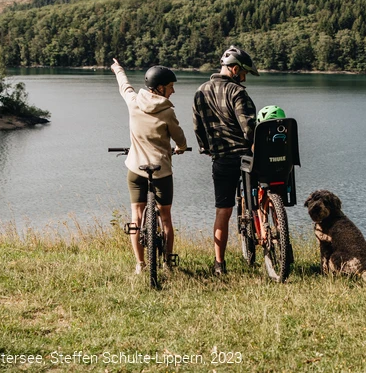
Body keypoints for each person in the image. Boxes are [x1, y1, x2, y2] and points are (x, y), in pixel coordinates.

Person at [111, 58, 187, 274]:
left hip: (136, 169)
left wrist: (118, 68)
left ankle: (140, 265)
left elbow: (124, 86)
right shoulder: (167, 112)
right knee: (165, 218)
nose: (173, 92)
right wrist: (181, 147)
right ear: (161, 88)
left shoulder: (134, 102)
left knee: (136, 215)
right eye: (171, 87)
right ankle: (167, 264)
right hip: (161, 171)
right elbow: (179, 137)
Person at [192, 46, 259, 275]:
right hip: (244, 156)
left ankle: (219, 264)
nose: (244, 78)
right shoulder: (237, 92)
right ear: (235, 69)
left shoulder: (200, 92)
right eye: (244, 73)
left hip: (221, 160)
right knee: (259, 197)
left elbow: (198, 128)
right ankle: (268, 234)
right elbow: (249, 129)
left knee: (223, 210)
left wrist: (207, 149)